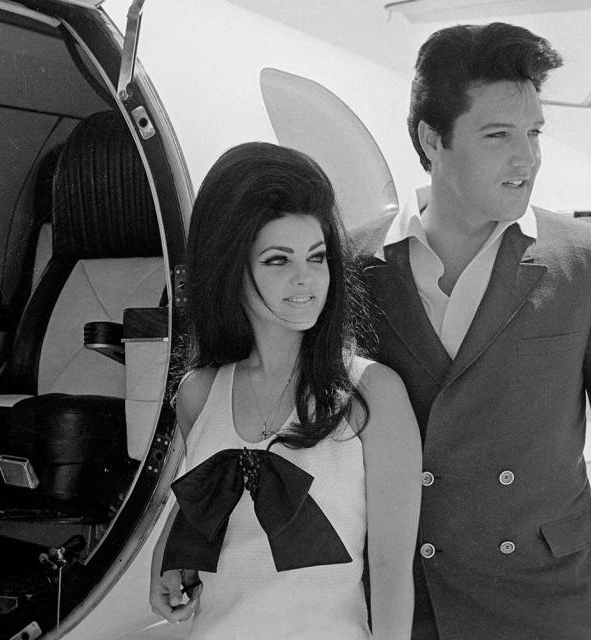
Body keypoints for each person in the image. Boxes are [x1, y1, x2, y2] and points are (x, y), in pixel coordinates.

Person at [351, 22, 591, 640]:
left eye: (534, 132)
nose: (528, 157)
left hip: (544, 602)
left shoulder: (584, 261)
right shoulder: (355, 266)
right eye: (498, 135)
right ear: (433, 140)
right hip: (404, 608)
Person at [148, 142, 422, 639]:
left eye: (317, 258)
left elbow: (391, 575)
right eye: (278, 260)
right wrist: (167, 559)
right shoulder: (199, 393)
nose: (306, 280)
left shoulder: (371, 394)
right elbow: (208, 506)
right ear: (232, 267)